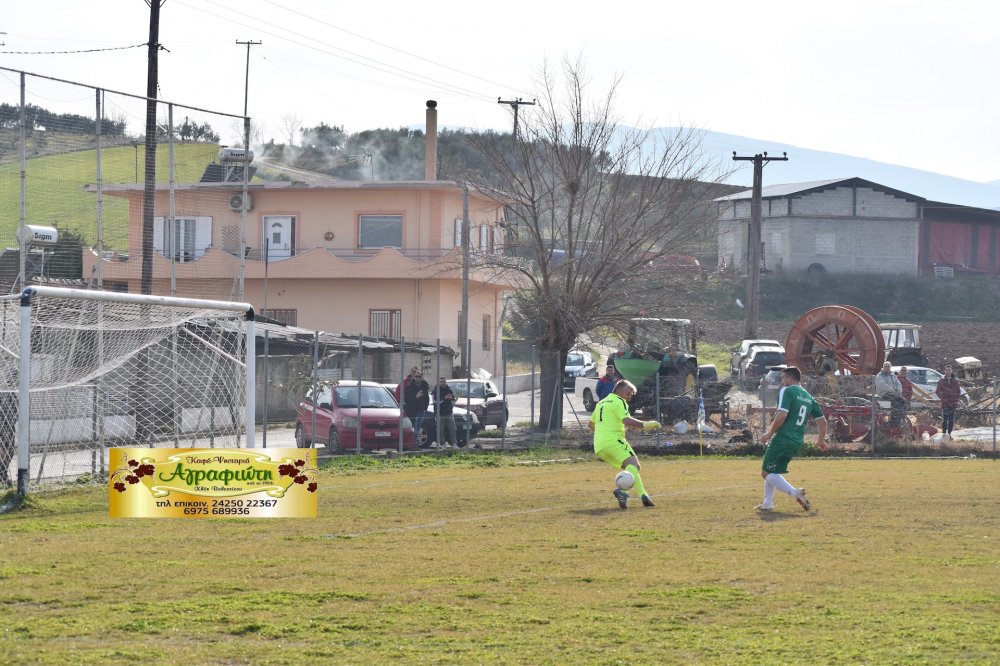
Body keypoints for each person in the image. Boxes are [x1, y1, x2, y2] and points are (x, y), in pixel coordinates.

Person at [756, 366, 827, 512]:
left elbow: (782, 414)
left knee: (766, 473)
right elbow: (823, 422)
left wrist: (769, 434)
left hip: (783, 438)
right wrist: (820, 440)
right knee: (772, 471)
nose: (782, 382)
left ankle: (795, 493)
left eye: (782, 378)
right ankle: (767, 503)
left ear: (788, 378)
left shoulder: (787, 390)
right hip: (796, 441)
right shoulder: (809, 397)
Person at [588, 379, 661, 510]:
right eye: (628, 393)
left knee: (630, 468)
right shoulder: (619, 401)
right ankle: (623, 492)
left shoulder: (601, 403)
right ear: (618, 390)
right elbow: (627, 420)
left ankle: (644, 495)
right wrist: (646, 425)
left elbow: (591, 424)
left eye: (631, 394)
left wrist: (604, 432)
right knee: (635, 466)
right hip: (614, 441)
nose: (629, 397)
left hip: (599, 446)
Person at [875, 361, 906, 427]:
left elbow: (898, 384)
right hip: (885, 394)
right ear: (883, 367)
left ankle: (900, 419)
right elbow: (883, 385)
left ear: (890, 367)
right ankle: (893, 421)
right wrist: (893, 391)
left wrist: (898, 390)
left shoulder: (893, 375)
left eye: (888, 366)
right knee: (896, 403)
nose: (887, 368)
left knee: (903, 401)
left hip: (894, 394)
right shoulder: (880, 376)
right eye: (885, 366)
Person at [935, 365, 962, 440]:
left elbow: (958, 392)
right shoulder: (942, 380)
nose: (948, 371)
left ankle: (949, 434)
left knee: (951, 420)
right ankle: (944, 434)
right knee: (944, 420)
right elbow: (937, 391)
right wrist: (943, 399)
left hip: (953, 403)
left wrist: (956, 400)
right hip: (945, 403)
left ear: (951, 371)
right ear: (944, 371)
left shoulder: (955, 381)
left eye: (949, 370)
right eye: (946, 370)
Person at [431, 376, 457, 448]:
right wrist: (444, 398)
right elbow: (435, 401)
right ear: (438, 383)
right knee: (440, 430)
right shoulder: (435, 391)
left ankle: (454, 443)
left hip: (449, 413)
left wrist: (452, 398)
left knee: (452, 429)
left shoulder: (449, 389)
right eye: (441, 382)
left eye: (444, 381)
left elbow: (453, 399)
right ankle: (442, 444)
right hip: (440, 414)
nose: (443, 383)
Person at [403, 371, 430, 436]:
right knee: (413, 429)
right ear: (414, 377)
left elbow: (427, 398)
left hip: (421, 410)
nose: (418, 378)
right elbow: (407, 399)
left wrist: (425, 408)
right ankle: (413, 443)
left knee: (417, 428)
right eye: (416, 376)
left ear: (422, 377)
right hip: (412, 410)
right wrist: (416, 397)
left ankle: (414, 443)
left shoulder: (424, 386)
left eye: (419, 376)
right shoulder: (409, 386)